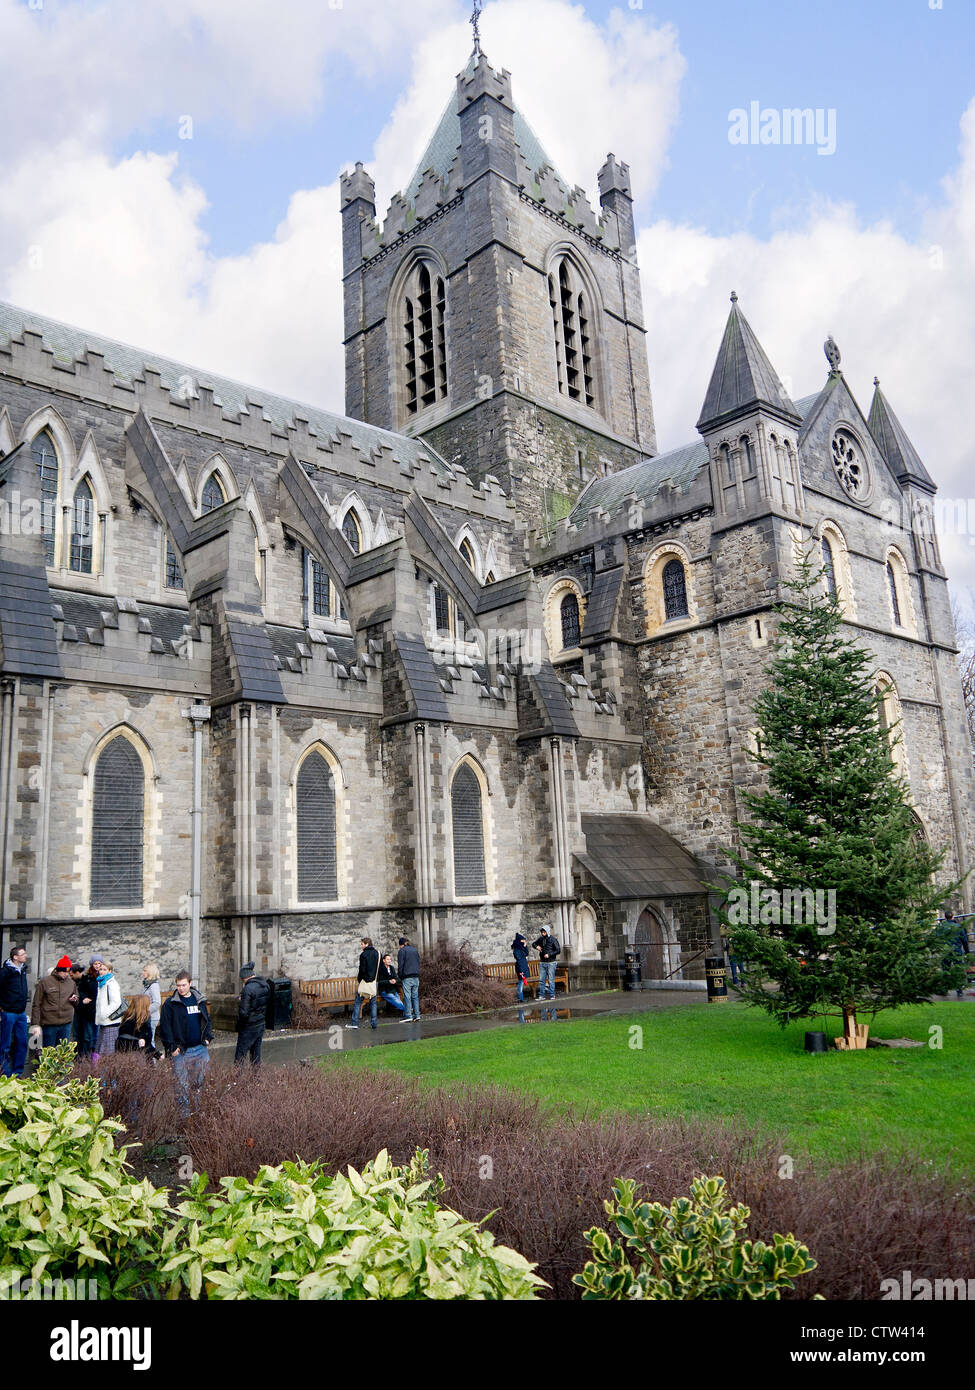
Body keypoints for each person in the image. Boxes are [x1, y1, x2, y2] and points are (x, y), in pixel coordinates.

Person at [159, 970, 213, 1115]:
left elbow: (207, 1020)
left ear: (190, 984)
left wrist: (208, 1037)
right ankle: (184, 1117)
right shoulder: (171, 1004)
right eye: (178, 985)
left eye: (184, 985)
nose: (181, 988)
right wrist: (171, 1047)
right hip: (181, 1051)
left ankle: (198, 1113)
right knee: (181, 1086)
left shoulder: (199, 1000)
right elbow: (165, 1028)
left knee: (200, 1083)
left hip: (200, 1049)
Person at [29, 956, 77, 1050]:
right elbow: (36, 1004)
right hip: (49, 1024)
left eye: (68, 972)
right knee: (48, 1052)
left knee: (63, 1054)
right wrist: (35, 1025)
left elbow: (76, 999)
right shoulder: (45, 982)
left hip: (66, 1023)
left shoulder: (71, 983)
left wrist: (75, 999)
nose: (66, 974)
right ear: (57, 970)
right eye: (64, 971)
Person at [0, 945, 30, 1078]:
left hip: (21, 1013)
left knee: (22, 1042)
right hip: (8, 1012)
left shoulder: (23, 970)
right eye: (23, 954)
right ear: (15, 957)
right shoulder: (5, 972)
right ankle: (4, 1074)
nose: (25, 956)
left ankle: (17, 1073)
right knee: (5, 1044)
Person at [234, 962, 269, 1066]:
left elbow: (244, 1012)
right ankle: (255, 1079)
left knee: (240, 1056)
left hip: (249, 1026)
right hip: (260, 1023)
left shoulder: (247, 989)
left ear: (245, 977)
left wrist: (240, 1025)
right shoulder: (265, 985)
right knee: (256, 1055)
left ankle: (238, 1080)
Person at [348, 937, 381, 1030]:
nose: (361, 946)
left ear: (367, 944)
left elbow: (362, 970)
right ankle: (374, 1023)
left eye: (362, 944)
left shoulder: (363, 955)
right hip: (374, 982)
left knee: (358, 1002)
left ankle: (354, 1023)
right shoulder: (378, 953)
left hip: (365, 982)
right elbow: (380, 968)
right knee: (373, 1003)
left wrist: (360, 979)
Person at [93, 958, 123, 1058]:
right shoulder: (102, 983)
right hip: (104, 1022)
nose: (101, 971)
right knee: (100, 1052)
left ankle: (108, 1074)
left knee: (108, 1054)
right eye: (100, 969)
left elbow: (116, 1002)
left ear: (110, 971)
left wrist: (104, 1014)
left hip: (110, 1022)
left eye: (104, 969)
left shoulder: (111, 983)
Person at [938, 912, 970, 999]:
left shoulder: (941, 927)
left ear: (945, 918)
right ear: (952, 917)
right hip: (957, 951)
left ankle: (944, 990)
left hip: (945, 951)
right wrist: (967, 951)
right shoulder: (958, 927)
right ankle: (959, 991)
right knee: (958, 971)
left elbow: (937, 938)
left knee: (945, 970)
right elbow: (964, 940)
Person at [117, 996, 158, 1060]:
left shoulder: (126, 1020)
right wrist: (158, 1055)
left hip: (124, 1057)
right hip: (139, 1057)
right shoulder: (143, 1022)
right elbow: (147, 1045)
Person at [74, 961, 99, 1057]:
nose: (97, 966)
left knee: (95, 1037)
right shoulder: (87, 978)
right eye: (95, 964)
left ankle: (94, 1057)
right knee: (87, 1037)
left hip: (98, 1013)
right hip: (88, 1012)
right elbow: (81, 991)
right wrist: (84, 998)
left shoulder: (102, 979)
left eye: (99, 964)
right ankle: (87, 1058)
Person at [532, 926, 561, 1001]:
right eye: (542, 932)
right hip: (542, 962)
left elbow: (558, 950)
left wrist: (549, 954)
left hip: (551, 963)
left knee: (551, 980)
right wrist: (536, 947)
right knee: (541, 980)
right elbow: (533, 944)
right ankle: (541, 996)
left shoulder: (553, 939)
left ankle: (552, 995)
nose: (543, 933)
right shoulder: (541, 939)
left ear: (547, 932)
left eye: (544, 932)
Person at [397, 936, 421, 1022]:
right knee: (415, 996)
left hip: (407, 977)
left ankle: (408, 1015)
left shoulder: (402, 951)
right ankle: (417, 1014)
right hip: (416, 975)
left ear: (401, 944)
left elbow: (400, 965)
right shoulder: (414, 950)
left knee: (407, 996)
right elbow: (418, 962)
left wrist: (400, 976)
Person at [141, 963, 162, 1044]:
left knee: (150, 1040)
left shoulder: (154, 986)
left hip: (152, 1017)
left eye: (145, 971)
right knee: (147, 1040)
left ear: (150, 972)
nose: (142, 972)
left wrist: (145, 1012)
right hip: (146, 1017)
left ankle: (153, 1056)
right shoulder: (147, 984)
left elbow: (157, 1002)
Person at [511, 933, 531, 1002]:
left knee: (521, 982)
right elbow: (519, 960)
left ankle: (520, 998)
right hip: (520, 967)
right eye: (523, 940)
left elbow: (526, 953)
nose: (524, 941)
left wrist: (525, 946)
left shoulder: (520, 948)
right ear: (519, 940)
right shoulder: (516, 950)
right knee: (521, 983)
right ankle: (520, 998)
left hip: (522, 966)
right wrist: (522, 970)